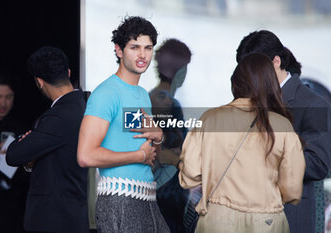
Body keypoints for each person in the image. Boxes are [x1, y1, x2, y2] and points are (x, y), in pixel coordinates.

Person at [178, 53, 305, 233]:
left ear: (235, 83)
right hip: (267, 222)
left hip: (218, 220)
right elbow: (292, 190)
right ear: (271, 85)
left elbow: (188, 176)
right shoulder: (282, 125)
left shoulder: (210, 119)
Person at [77, 16, 170, 233]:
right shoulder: (106, 94)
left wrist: (158, 137)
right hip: (119, 200)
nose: (142, 55)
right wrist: (138, 156)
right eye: (134, 47)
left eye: (148, 48)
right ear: (119, 50)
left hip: (147, 197)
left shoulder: (141, 95)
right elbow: (85, 156)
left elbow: (147, 152)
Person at [236, 30, 331, 233]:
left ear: (276, 62)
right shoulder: (251, 102)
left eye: (255, 69)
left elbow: (319, 163)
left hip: (290, 216)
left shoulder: (312, 103)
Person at [6, 46, 89, 233]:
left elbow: (13, 155)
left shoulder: (59, 116)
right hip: (71, 216)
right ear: (68, 72)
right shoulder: (82, 106)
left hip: (55, 221)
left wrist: (24, 141)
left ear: (39, 82)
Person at [149, 38, 191, 233]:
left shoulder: (148, 98)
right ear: (179, 72)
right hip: (169, 193)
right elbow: (181, 148)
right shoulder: (171, 105)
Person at [0, 72, 29, 233]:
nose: (3, 103)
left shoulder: (20, 128)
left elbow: (28, 174)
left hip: (10, 211)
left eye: (8, 97)